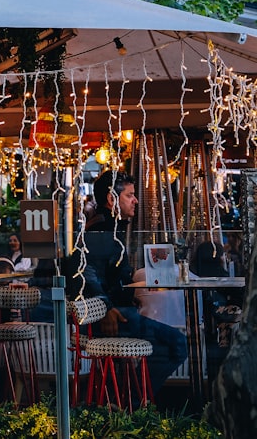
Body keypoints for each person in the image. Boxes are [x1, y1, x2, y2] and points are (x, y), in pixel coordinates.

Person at [81, 170, 187, 399]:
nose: (136, 200)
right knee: (177, 344)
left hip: (117, 312)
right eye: (130, 195)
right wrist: (107, 308)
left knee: (171, 339)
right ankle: (132, 402)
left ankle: (124, 396)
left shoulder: (109, 226)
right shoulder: (102, 229)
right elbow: (88, 273)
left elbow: (107, 273)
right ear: (112, 199)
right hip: (110, 318)